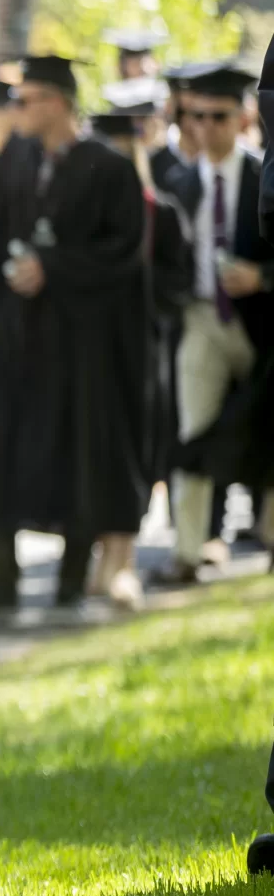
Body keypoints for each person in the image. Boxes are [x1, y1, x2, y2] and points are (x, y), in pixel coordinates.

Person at [0, 56, 150, 607]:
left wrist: (54, 267)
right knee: (3, 447)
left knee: (77, 449)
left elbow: (123, 252)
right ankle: (1, 571)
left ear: (58, 103)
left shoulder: (108, 168)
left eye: (24, 100)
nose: (14, 110)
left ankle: (73, 572)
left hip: (77, 340)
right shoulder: (12, 161)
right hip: (17, 334)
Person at [160, 62, 274, 580]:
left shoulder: (262, 179)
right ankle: (187, 549)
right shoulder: (176, 183)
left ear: (243, 116)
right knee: (194, 429)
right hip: (203, 317)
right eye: (195, 116)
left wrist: (262, 277)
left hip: (262, 325)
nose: (205, 127)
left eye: (218, 116)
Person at [87, 101, 193, 609]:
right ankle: (102, 557)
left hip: (142, 350)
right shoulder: (83, 219)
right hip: (95, 350)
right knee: (98, 454)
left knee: (134, 452)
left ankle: (122, 559)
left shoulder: (161, 213)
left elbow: (181, 281)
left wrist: (146, 303)